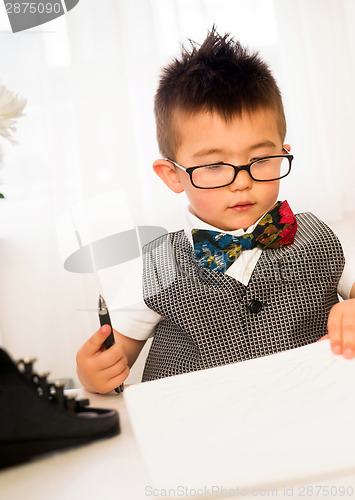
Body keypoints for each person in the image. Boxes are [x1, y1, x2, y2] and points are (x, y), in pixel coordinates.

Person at [76, 28, 355, 393]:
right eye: (213, 166)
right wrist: (94, 372)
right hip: (196, 422)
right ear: (173, 175)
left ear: (283, 154)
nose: (241, 182)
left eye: (260, 159)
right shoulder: (159, 262)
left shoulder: (318, 236)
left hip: (307, 405)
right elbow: (119, 351)